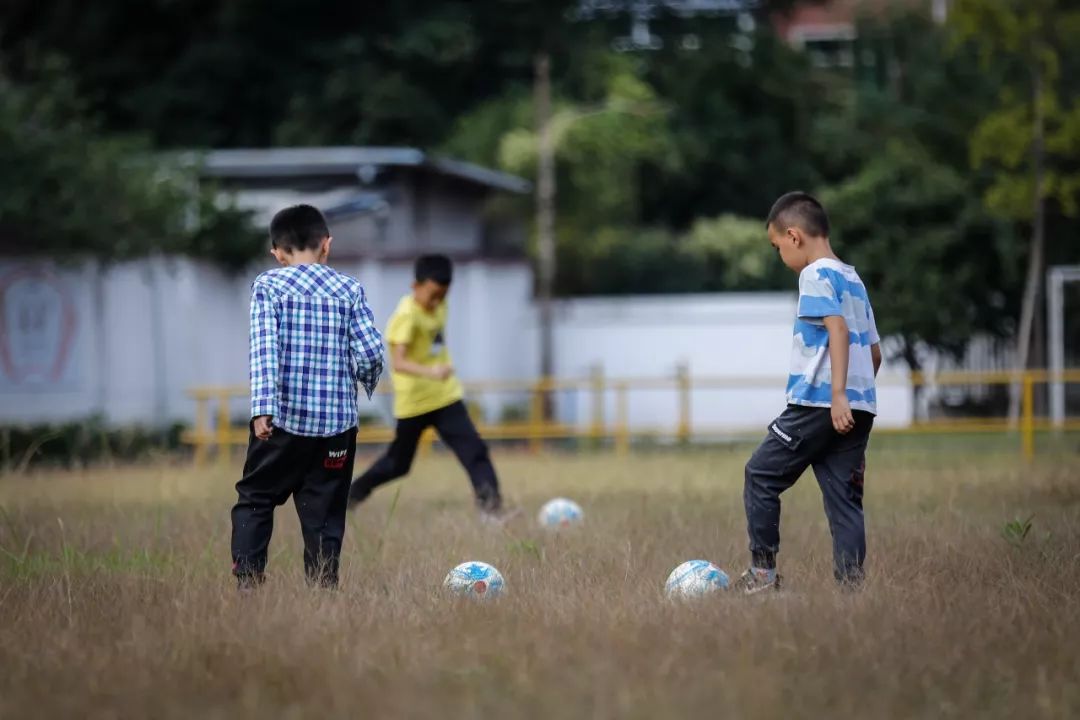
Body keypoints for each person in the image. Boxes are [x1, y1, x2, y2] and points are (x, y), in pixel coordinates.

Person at [735, 191, 882, 594]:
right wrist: (854, 402)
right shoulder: (853, 278)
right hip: (856, 408)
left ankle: (762, 574)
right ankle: (851, 593)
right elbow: (874, 352)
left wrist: (836, 395)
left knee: (760, 473)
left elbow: (836, 329)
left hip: (818, 404)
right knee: (845, 503)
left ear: (794, 236)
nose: (779, 255)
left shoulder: (815, 275)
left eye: (777, 245)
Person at [230, 204, 384, 589]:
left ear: (277, 253)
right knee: (326, 512)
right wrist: (362, 381)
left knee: (256, 498)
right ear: (326, 245)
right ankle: (322, 589)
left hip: (282, 422)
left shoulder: (269, 287)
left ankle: (248, 581)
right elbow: (370, 354)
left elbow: (264, 350)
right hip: (336, 429)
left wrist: (262, 409)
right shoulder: (349, 289)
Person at [348, 254, 513, 522]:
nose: (437, 301)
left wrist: (439, 373)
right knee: (398, 465)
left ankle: (491, 512)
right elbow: (398, 362)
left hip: (445, 396)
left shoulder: (439, 307)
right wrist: (431, 371)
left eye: (444, 295)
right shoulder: (406, 316)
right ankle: (351, 497)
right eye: (433, 294)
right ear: (416, 286)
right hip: (414, 402)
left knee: (475, 451)